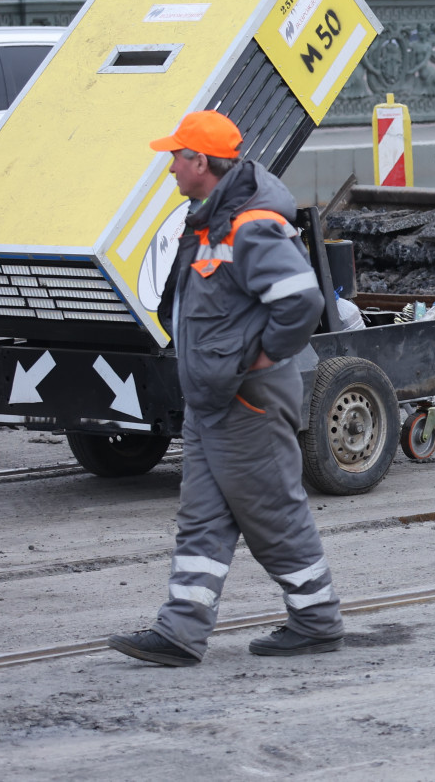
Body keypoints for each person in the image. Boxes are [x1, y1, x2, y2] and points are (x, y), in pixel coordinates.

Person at [108, 110, 345, 667]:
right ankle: (180, 630)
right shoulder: (209, 219)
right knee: (202, 519)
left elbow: (301, 303)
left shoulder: (251, 226)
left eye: (176, 157)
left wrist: (254, 360)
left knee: (274, 515)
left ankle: (317, 619)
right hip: (213, 402)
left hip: (247, 401)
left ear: (201, 163)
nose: (168, 167)